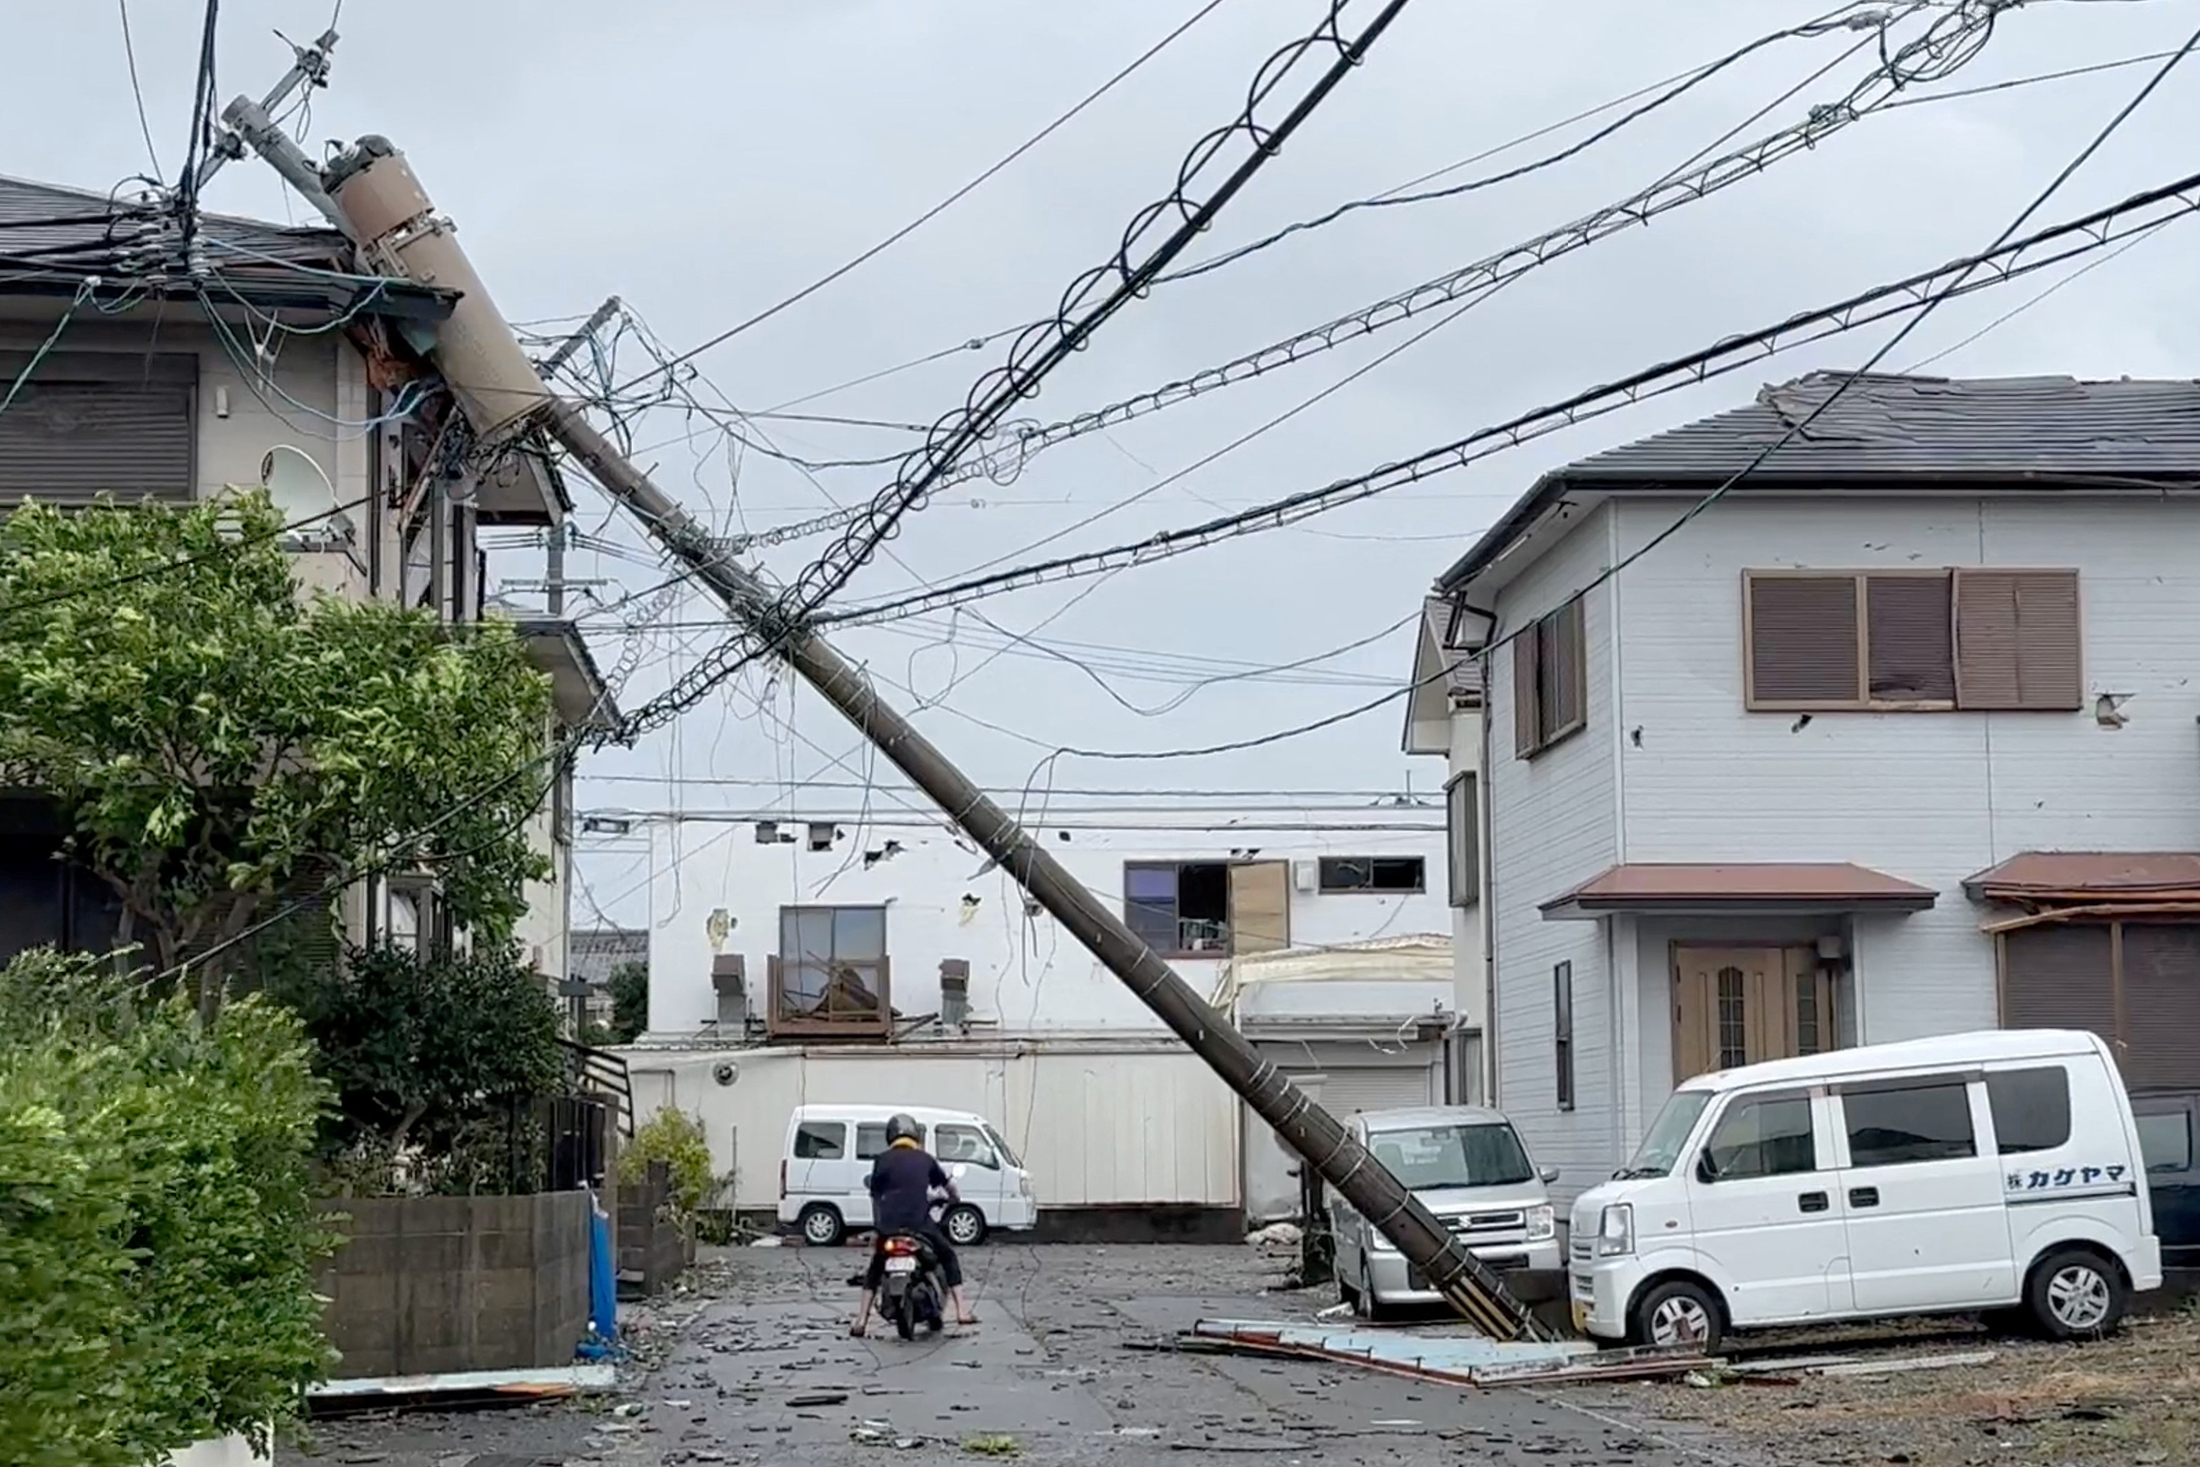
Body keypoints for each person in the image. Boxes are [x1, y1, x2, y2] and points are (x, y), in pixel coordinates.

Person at [850, 1112, 979, 1335]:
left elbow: (875, 1192)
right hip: (919, 1224)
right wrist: (954, 1198)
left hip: (888, 1227)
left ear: (890, 1137)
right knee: (948, 1255)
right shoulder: (925, 1159)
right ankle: (962, 1311)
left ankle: (861, 1320)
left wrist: (879, 1226)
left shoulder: (881, 1160)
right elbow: (949, 1186)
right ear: (915, 1135)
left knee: (875, 1268)